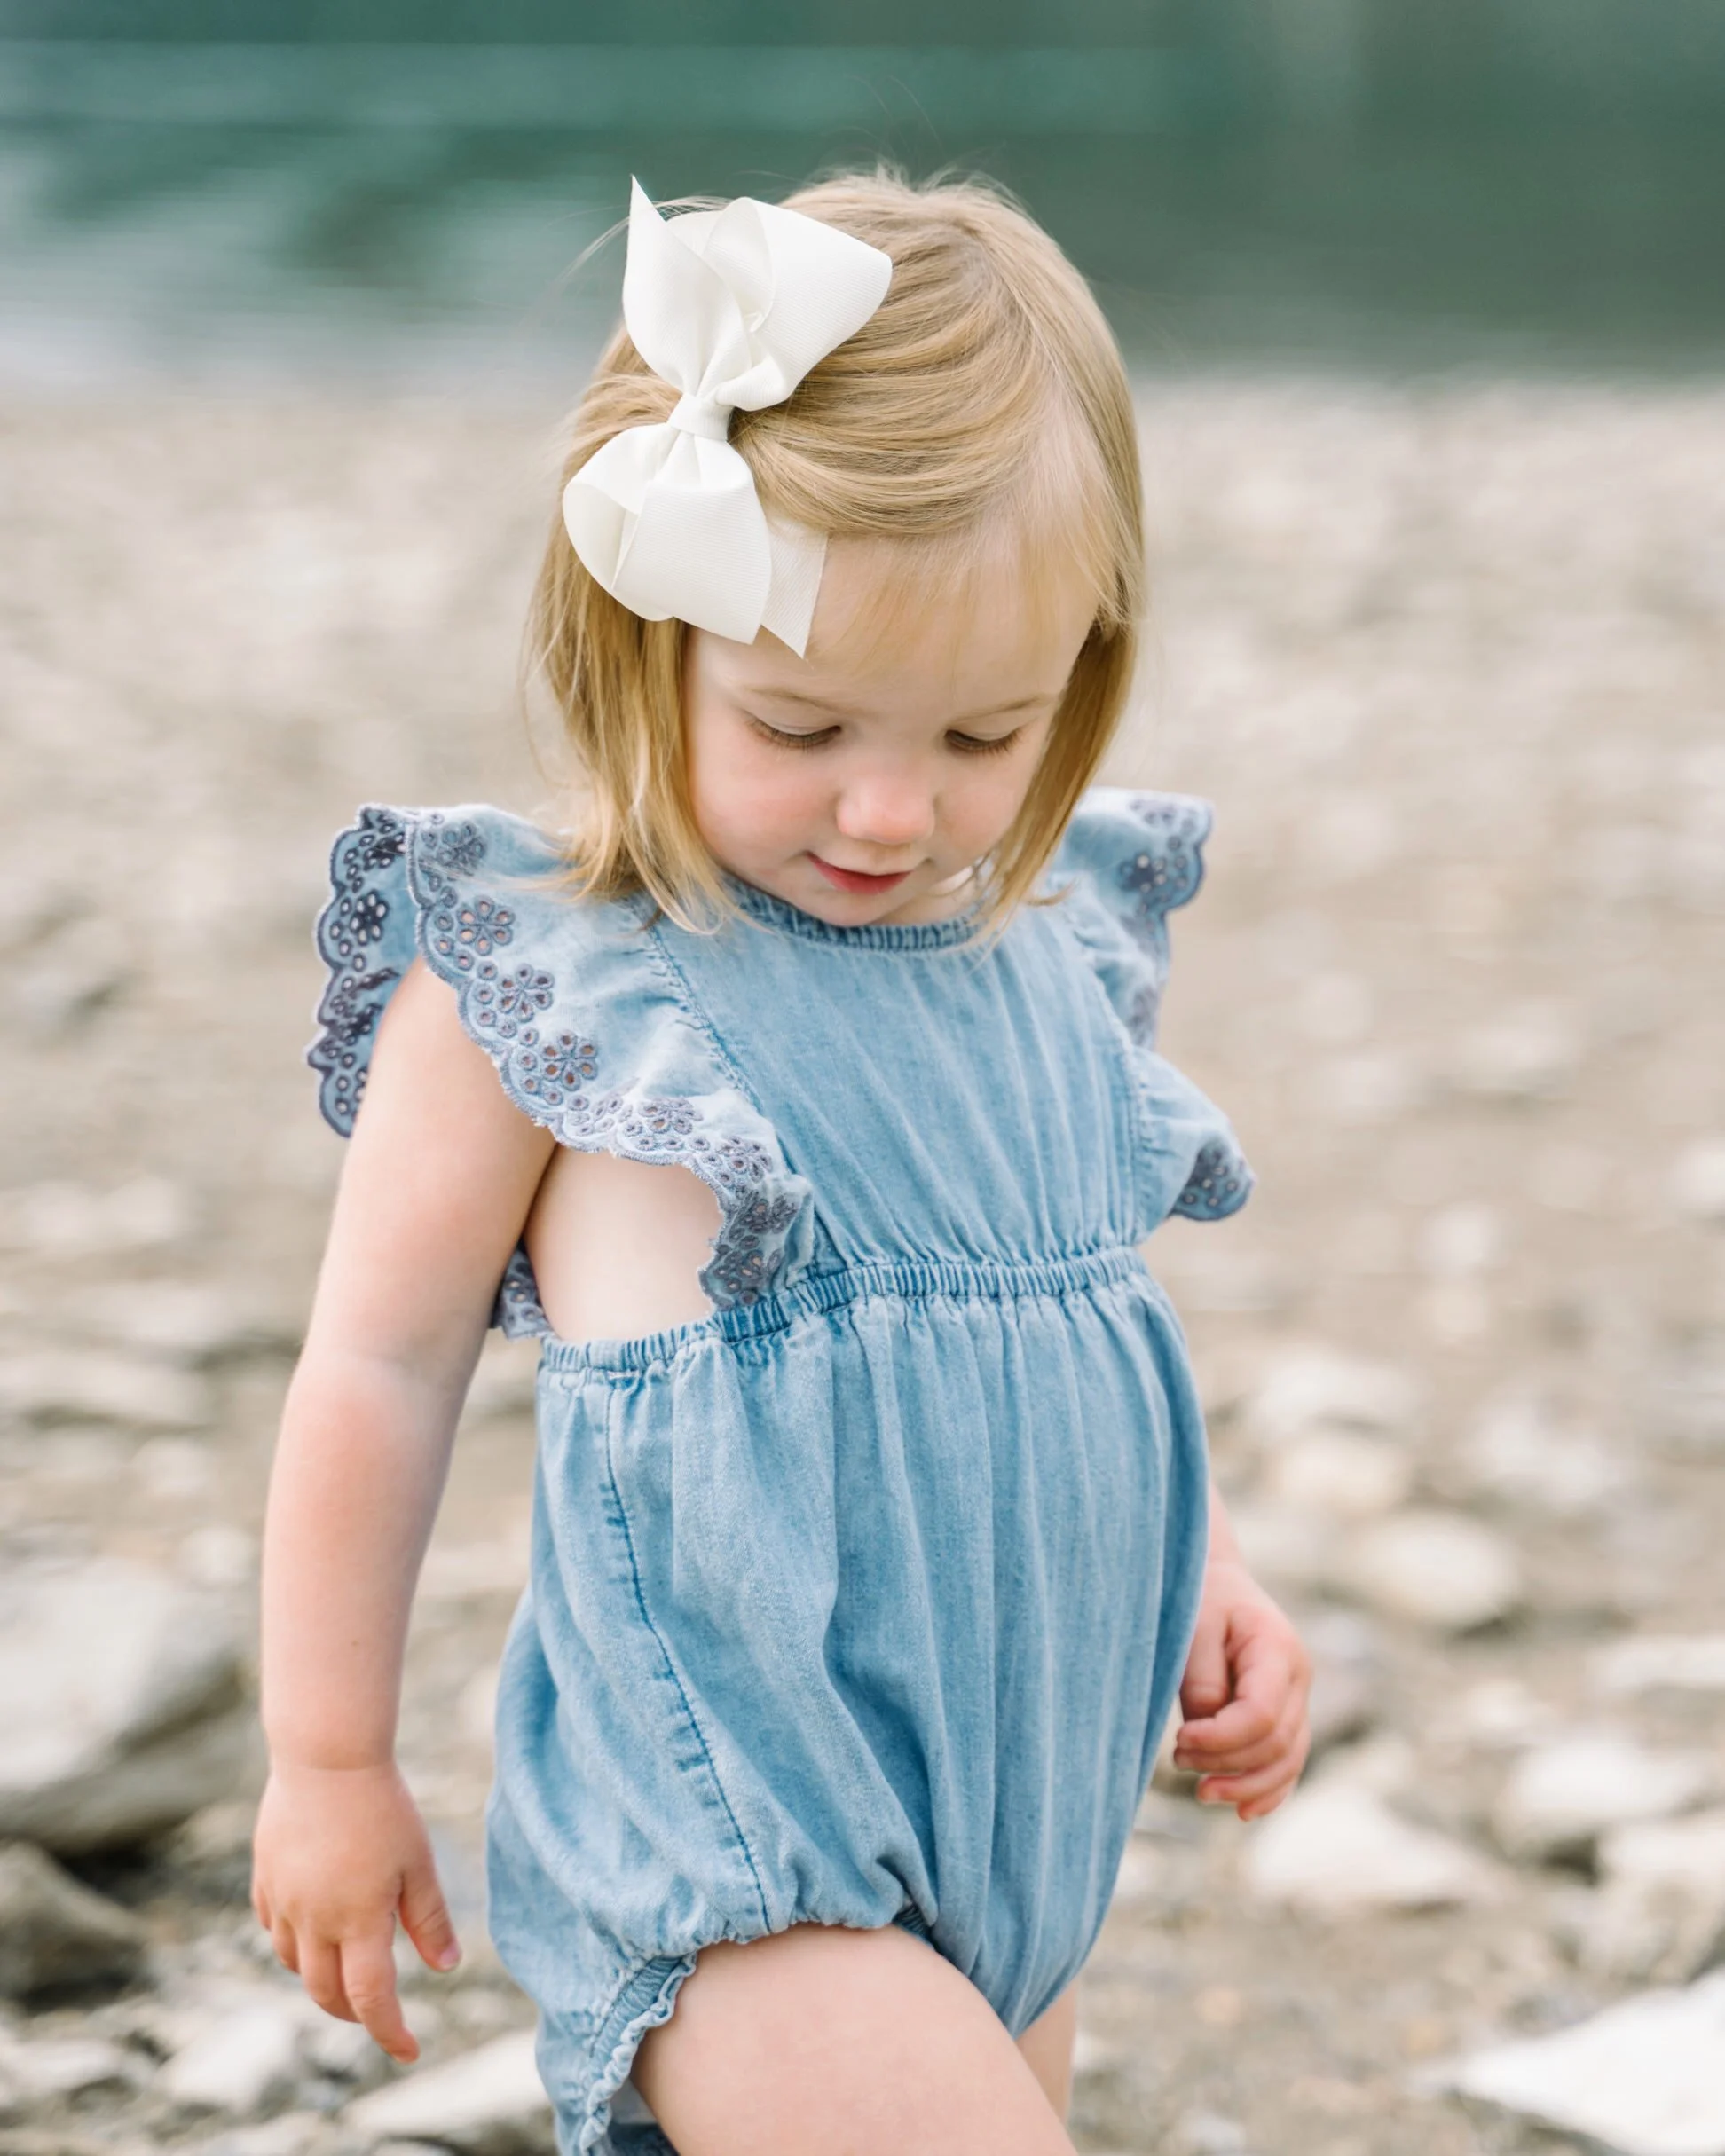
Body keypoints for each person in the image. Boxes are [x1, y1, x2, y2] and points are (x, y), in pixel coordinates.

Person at [252, 171, 1311, 2156]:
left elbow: (1072, 1300)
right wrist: (328, 1759)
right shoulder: (550, 974)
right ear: (638, 636)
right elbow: (376, 1371)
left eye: (989, 732)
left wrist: (1211, 1568)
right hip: (739, 1838)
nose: (895, 807)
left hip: (1028, 1800)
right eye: (802, 721)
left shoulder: (1045, 943)